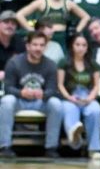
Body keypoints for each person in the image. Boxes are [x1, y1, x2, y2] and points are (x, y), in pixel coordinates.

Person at [0, 30, 65, 158]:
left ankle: (51, 147)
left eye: (41, 45)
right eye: (35, 45)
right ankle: (4, 146)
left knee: (56, 104)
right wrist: (21, 92)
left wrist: (44, 93)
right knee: (7, 101)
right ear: (28, 46)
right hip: (19, 101)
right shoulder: (14, 63)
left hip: (40, 101)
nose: (38, 48)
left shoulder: (51, 65)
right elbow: (8, 88)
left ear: (45, 47)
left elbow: (52, 89)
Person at [57, 31, 100, 161]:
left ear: (87, 47)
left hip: (87, 97)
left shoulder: (94, 64)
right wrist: (69, 97)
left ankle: (94, 149)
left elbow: (96, 86)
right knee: (69, 109)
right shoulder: (63, 63)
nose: (81, 48)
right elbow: (60, 85)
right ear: (72, 46)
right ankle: (75, 139)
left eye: (84, 45)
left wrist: (90, 98)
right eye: (77, 44)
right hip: (70, 97)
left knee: (95, 110)